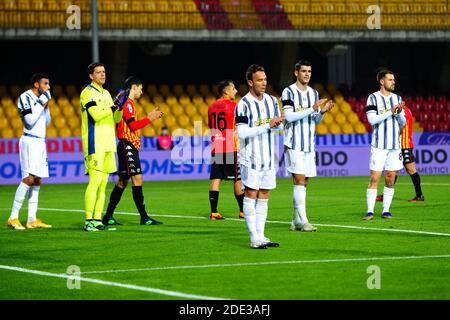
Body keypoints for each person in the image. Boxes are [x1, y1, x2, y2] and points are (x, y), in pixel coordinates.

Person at [102, 76, 164, 226]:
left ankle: (108, 216)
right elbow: (133, 126)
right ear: (134, 87)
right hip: (127, 145)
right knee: (137, 179)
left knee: (123, 182)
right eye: (140, 88)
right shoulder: (128, 105)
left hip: (128, 145)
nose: (142, 92)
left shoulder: (129, 104)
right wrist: (150, 118)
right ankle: (144, 217)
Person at [235, 64, 284, 249]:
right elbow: (242, 133)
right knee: (251, 193)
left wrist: (279, 124)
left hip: (269, 157)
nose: (264, 83)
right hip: (251, 157)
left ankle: (262, 236)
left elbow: (277, 127)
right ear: (250, 82)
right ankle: (253, 237)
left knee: (264, 194)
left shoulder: (272, 101)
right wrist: (268, 125)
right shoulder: (243, 104)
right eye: (259, 80)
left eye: (265, 79)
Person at [281, 60, 334, 232]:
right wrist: (312, 108)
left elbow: (315, 119)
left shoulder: (314, 93)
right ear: (296, 72)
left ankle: (295, 220)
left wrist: (323, 112)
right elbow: (289, 116)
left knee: (304, 183)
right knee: (299, 180)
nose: (307, 74)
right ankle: (304, 221)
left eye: (309, 71)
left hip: (309, 144)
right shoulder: (288, 92)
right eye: (303, 71)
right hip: (294, 143)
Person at [80, 62, 123, 231]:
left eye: (104, 72)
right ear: (91, 76)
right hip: (94, 143)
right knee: (95, 181)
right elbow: (96, 115)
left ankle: (97, 219)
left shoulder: (106, 93)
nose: (102, 74)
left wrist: (118, 108)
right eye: (98, 72)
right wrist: (111, 107)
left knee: (104, 183)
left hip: (108, 143)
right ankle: (88, 220)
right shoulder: (87, 93)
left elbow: (117, 119)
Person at [7, 73, 52, 230]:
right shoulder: (25, 97)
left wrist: (46, 107)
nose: (48, 87)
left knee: (38, 180)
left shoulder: (43, 100)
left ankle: (32, 220)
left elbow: (47, 121)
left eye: (49, 84)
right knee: (29, 179)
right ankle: (13, 217)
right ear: (36, 85)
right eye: (45, 83)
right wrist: (42, 103)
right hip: (29, 140)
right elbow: (29, 120)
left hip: (40, 142)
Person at [363, 69, 406, 220]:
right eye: (390, 79)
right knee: (375, 178)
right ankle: (369, 211)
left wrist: (399, 113)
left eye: (394, 80)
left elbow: (403, 122)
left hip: (394, 146)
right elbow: (372, 120)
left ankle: (386, 210)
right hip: (379, 145)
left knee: (390, 177)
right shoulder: (373, 98)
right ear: (382, 81)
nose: (393, 82)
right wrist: (391, 111)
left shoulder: (397, 98)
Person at [207, 79, 245, 220]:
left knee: (217, 179)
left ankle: (214, 212)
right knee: (237, 178)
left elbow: (211, 125)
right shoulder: (234, 106)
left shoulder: (211, 107)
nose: (235, 91)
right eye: (233, 88)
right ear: (226, 91)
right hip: (230, 144)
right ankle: (242, 211)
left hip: (217, 144)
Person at [376, 104, 424, 202]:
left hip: (404, 144)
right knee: (392, 169)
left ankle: (419, 195)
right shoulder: (407, 110)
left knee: (411, 170)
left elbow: (397, 126)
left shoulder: (401, 111)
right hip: (399, 145)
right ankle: (387, 195)